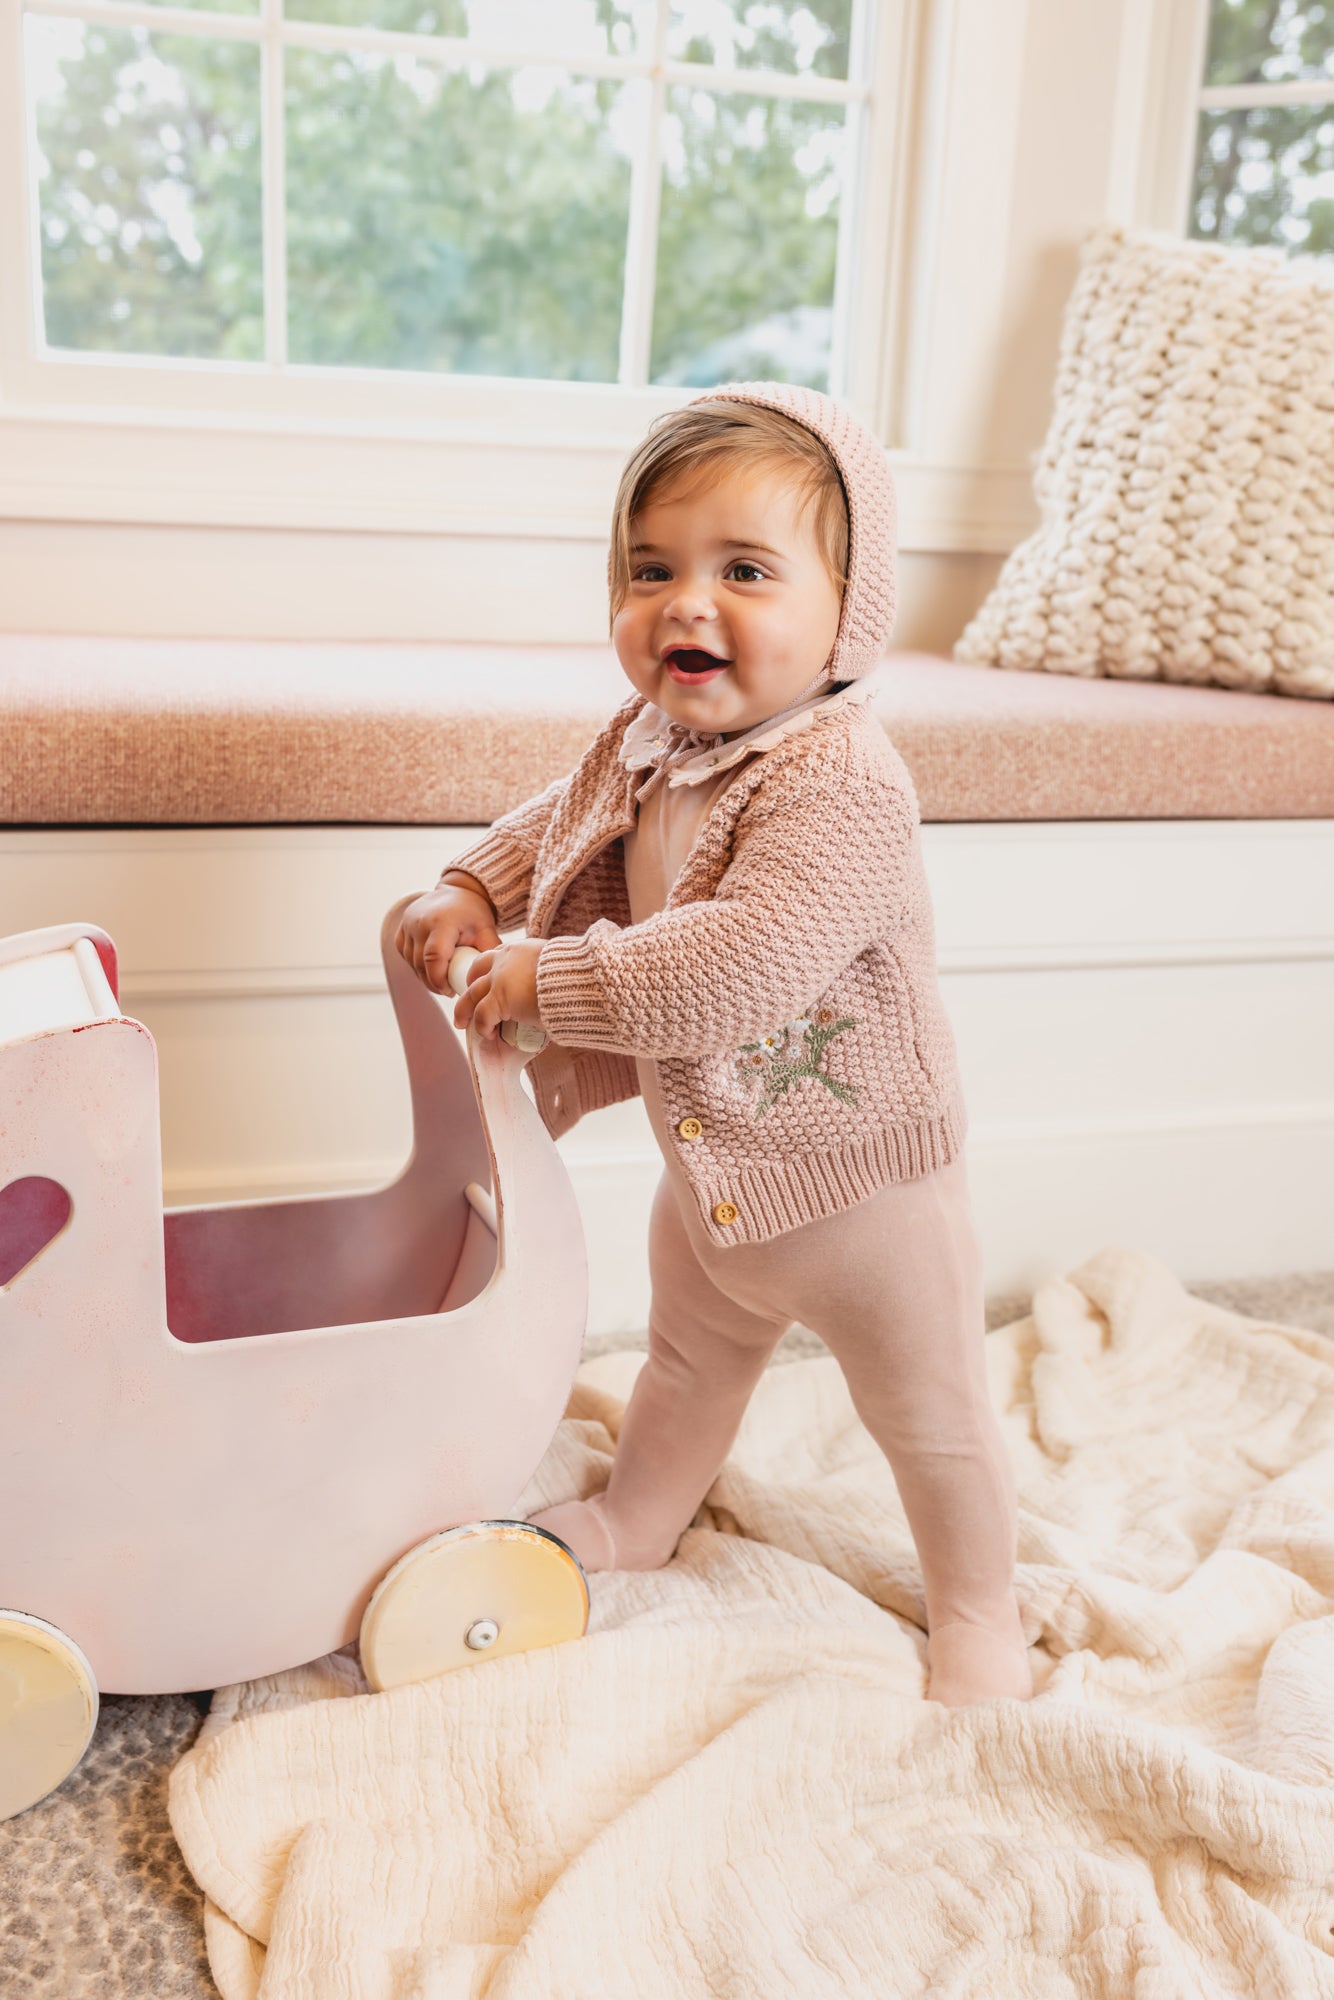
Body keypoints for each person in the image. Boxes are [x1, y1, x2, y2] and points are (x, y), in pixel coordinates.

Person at [395, 381, 1032, 1706]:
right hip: (718, 1179)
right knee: (686, 1360)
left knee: (930, 1415)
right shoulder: (646, 739)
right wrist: (478, 889)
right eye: (650, 570)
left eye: (743, 569)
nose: (685, 602)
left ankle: (980, 1610)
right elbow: (552, 827)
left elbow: (734, 967)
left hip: (865, 1194)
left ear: (848, 610)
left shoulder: (840, 782)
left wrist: (539, 978)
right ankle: (641, 1517)